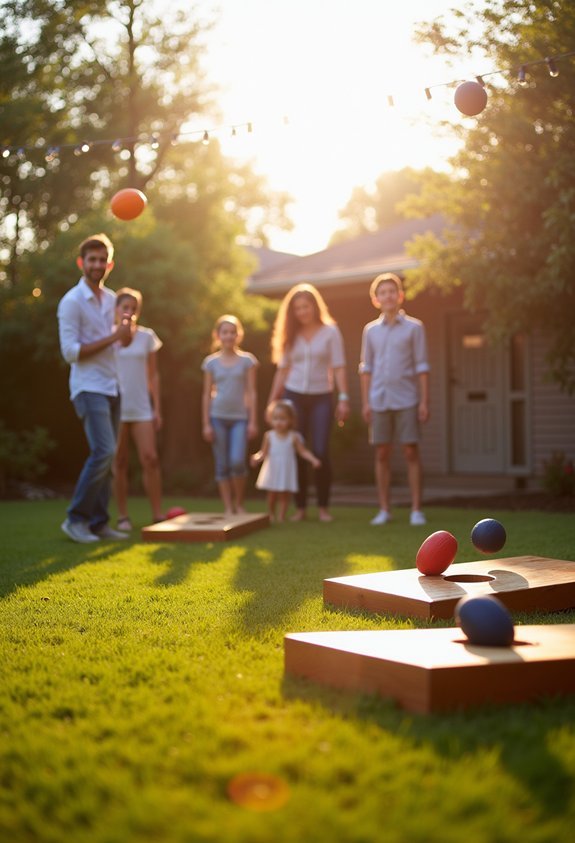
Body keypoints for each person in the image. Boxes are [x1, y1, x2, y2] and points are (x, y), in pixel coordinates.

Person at [57, 233, 134, 543]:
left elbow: (122, 343)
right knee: (103, 451)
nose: (97, 265)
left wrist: (125, 331)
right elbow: (70, 352)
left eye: (102, 260)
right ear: (81, 263)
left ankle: (100, 523)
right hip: (88, 387)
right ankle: (75, 519)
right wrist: (114, 338)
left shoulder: (113, 299)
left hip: (112, 384)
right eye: (92, 260)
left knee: (108, 455)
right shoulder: (71, 302)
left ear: (110, 264)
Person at [267, 283, 350, 522]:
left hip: (321, 396)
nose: (302, 312)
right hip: (293, 397)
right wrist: (272, 402)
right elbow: (282, 371)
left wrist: (343, 397)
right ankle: (300, 508)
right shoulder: (289, 335)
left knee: (320, 451)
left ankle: (323, 508)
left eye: (306, 307)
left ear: (315, 306)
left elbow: (339, 367)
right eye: (297, 308)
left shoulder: (330, 332)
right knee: (296, 451)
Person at [359, 272, 430, 526]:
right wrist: (366, 402)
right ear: (376, 299)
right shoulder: (371, 331)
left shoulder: (415, 328)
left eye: (392, 291)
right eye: (383, 293)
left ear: (400, 296)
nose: (388, 296)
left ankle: (416, 509)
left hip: (408, 399)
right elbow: (366, 368)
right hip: (379, 400)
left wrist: (424, 401)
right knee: (382, 454)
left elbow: (422, 366)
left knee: (410, 452)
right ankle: (384, 509)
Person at [113, 288, 164, 530]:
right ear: (115, 309)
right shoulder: (108, 336)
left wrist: (157, 409)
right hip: (117, 407)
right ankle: (123, 516)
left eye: (134, 308)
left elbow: (153, 375)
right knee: (119, 461)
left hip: (142, 407)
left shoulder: (147, 337)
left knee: (150, 459)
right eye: (125, 307)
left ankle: (157, 514)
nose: (129, 312)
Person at [202, 315, 258, 514]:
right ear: (218, 335)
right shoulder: (210, 363)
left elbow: (251, 392)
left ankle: (239, 504)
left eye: (233, 332)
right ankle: (228, 507)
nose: (229, 336)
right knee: (222, 464)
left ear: (238, 335)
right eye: (225, 332)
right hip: (217, 417)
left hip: (240, 419)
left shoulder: (247, 361)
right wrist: (206, 423)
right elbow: (206, 394)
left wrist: (253, 421)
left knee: (237, 461)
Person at [251, 400, 321, 523]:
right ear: (271, 419)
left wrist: (313, 459)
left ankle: (281, 516)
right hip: (273, 469)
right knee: (272, 494)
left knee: (284, 494)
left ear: (290, 420)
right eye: (276, 418)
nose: (279, 422)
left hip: (286, 469)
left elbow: (303, 451)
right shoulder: (269, 436)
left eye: (282, 419)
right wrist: (256, 458)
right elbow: (263, 452)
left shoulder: (294, 437)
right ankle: (271, 514)